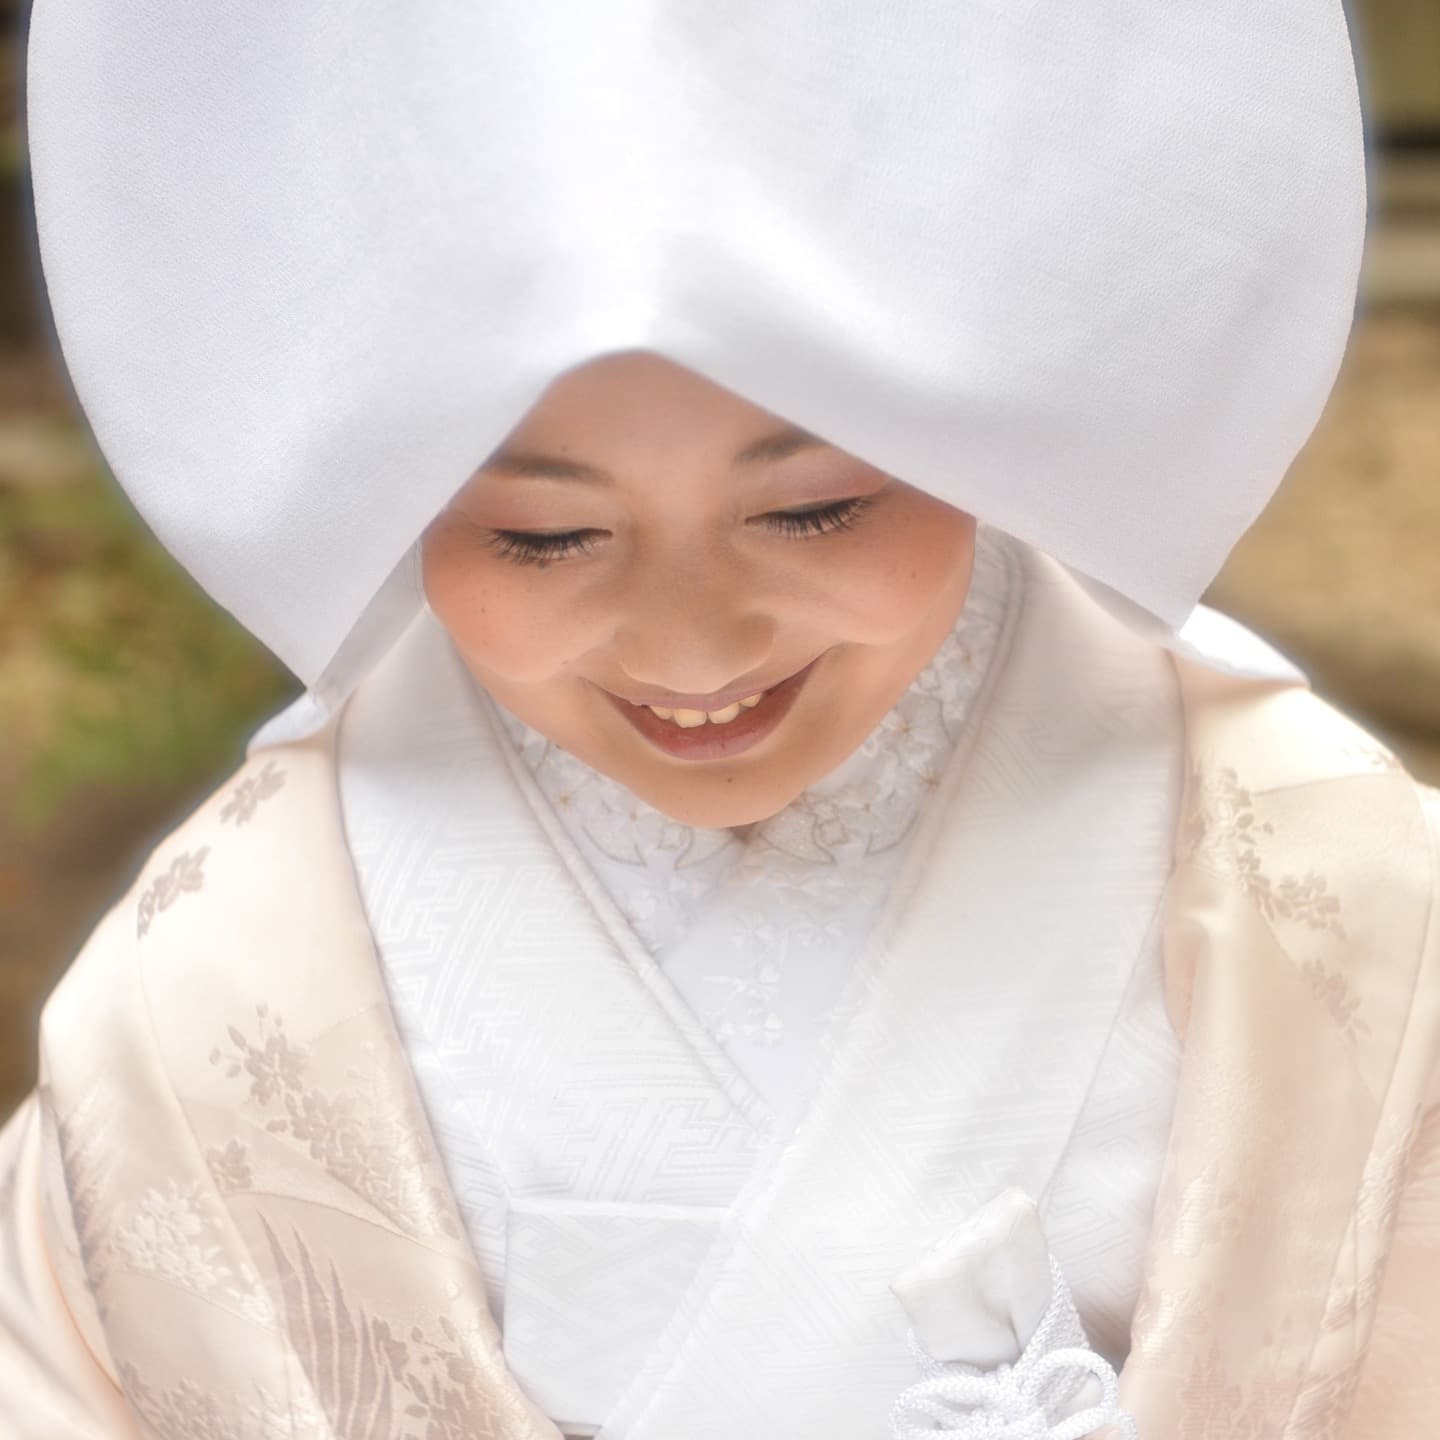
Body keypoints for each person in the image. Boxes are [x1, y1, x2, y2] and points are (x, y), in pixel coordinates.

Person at [3, 3, 1438, 1437]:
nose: (693, 647)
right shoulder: (214, 991)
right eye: (543, 537)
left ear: (997, 428)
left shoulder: (1334, 902)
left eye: (813, 507)